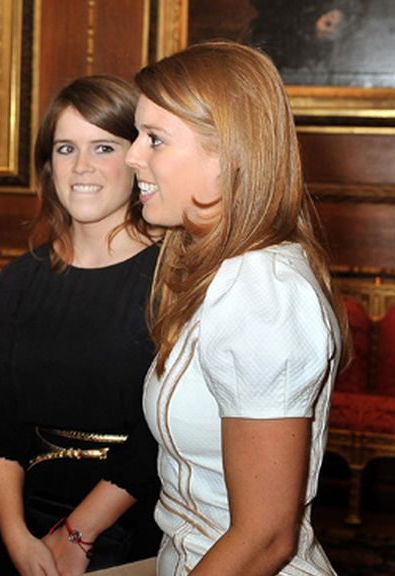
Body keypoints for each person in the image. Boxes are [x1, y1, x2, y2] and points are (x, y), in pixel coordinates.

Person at [125, 40, 349, 575]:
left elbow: (266, 539)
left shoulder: (261, 288)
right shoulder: (222, 270)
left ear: (230, 155)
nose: (133, 154)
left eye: (155, 138)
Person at [0, 75, 162, 576]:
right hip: (24, 523)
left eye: (103, 146)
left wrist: (79, 533)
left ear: (137, 158)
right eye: (65, 148)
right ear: (48, 164)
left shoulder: (174, 280)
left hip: (133, 523)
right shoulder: (19, 279)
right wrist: (16, 537)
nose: (82, 166)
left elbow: (158, 436)